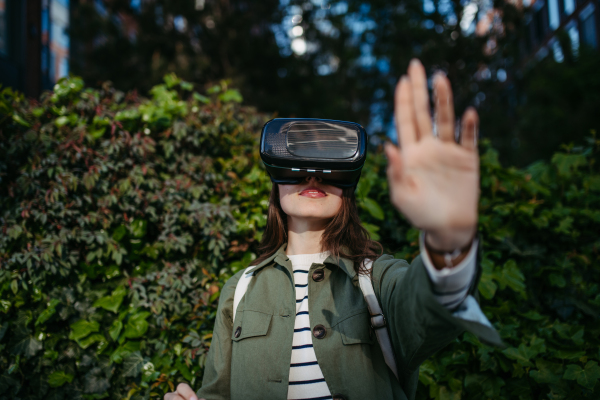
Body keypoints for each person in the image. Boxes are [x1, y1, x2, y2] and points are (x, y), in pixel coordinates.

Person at [164, 59, 501, 400]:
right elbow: (217, 394)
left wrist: (448, 241)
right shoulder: (239, 291)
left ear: (348, 188)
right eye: (298, 167)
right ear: (275, 183)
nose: (313, 176)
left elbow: (431, 311)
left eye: (329, 167)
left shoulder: (377, 280)